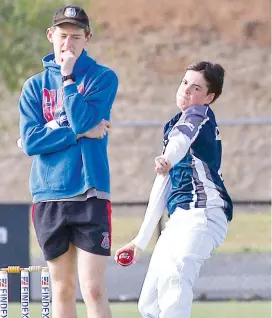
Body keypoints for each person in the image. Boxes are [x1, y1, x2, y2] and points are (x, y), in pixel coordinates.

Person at [18, 5, 118, 318]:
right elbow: (32, 142)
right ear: (51, 35)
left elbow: (84, 117)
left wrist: (68, 76)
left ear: (88, 37)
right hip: (48, 194)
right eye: (62, 35)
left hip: (90, 191)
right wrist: (78, 134)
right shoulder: (34, 87)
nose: (68, 43)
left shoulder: (103, 78)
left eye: (76, 36)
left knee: (93, 288)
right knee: (62, 288)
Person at [115, 61, 233, 318]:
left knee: (175, 280)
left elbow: (180, 141)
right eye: (184, 83)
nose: (187, 91)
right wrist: (139, 241)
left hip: (203, 214)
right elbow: (163, 185)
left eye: (196, 87)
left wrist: (167, 157)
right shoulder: (175, 124)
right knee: (150, 303)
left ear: (209, 97)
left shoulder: (198, 115)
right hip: (180, 219)